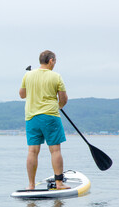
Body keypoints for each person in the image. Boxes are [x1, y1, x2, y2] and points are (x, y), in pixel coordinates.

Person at [19, 50, 70, 190]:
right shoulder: (56, 76)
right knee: (55, 150)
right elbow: (63, 99)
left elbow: (22, 95)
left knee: (32, 151)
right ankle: (59, 183)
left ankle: (31, 185)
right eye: (55, 62)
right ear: (51, 61)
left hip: (31, 117)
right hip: (50, 116)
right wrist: (58, 106)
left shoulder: (28, 75)